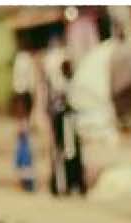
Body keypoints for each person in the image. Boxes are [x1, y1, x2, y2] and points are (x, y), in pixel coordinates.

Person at [48, 60, 84, 196]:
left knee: (71, 153)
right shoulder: (61, 86)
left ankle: (73, 184)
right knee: (65, 153)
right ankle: (63, 185)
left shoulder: (70, 85)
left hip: (69, 122)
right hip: (64, 122)